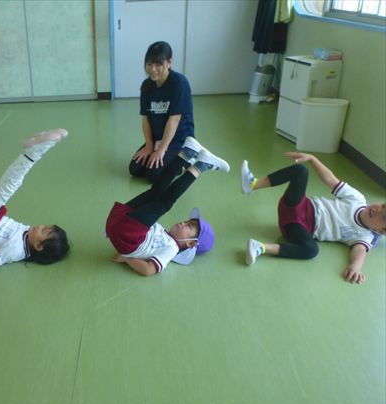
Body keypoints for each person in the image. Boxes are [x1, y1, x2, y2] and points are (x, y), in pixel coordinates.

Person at [241, 152, 385, 284]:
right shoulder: (357, 199)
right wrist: (312, 159)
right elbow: (330, 179)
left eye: (384, 217)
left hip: (297, 228)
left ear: (381, 231)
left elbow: (360, 251)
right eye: (383, 206)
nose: (378, 210)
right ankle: (253, 184)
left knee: (311, 250)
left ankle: (260, 247)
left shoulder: (365, 236)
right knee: (301, 171)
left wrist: (356, 267)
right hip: (298, 205)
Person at [108, 137, 230, 276]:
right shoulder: (164, 233)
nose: (183, 223)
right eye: (187, 222)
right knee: (156, 192)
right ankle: (186, 154)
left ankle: (200, 166)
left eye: (189, 226)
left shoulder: (172, 249)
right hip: (118, 222)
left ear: (190, 244)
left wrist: (127, 259)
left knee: (165, 203)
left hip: (128, 236)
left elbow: (149, 270)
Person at [0, 129, 70, 267]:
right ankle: (36, 148)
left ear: (38, 246)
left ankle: (37, 150)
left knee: (9, 185)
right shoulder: (28, 234)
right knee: (7, 183)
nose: (40, 226)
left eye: (43, 231)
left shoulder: (16, 250)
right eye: (45, 226)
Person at [129, 41, 195, 183]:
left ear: (169, 62)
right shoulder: (147, 85)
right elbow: (145, 118)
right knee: (135, 169)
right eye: (149, 64)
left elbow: (174, 120)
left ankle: (186, 157)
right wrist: (149, 145)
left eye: (158, 64)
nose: (153, 69)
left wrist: (161, 150)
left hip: (179, 140)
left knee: (154, 175)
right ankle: (164, 154)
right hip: (158, 139)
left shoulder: (179, 83)